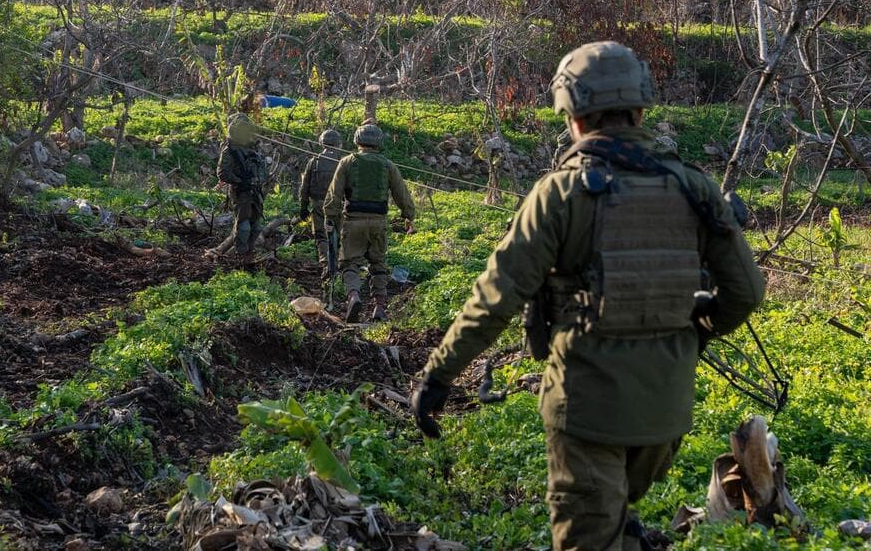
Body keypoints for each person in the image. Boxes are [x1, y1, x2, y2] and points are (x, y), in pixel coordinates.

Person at [411, 41, 765, 550]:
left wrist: (439, 375)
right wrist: (697, 328)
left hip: (587, 409)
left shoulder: (561, 194)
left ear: (572, 116)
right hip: (664, 413)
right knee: (616, 519)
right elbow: (746, 293)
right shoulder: (695, 188)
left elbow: (496, 297)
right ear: (641, 108)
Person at [325, 122, 416, 323]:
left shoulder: (347, 162)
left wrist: (330, 217)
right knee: (378, 264)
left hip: (353, 221)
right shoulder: (388, 165)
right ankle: (379, 307)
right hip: (378, 222)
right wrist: (409, 215)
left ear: (357, 140)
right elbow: (402, 194)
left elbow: (334, 195)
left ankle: (354, 296)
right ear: (378, 143)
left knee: (349, 263)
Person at [216, 112, 267, 260]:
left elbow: (263, 169)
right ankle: (241, 253)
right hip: (241, 191)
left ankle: (250, 251)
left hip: (256, 191)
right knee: (244, 224)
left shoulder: (254, 148)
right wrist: (239, 181)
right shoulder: (230, 150)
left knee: (256, 225)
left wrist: (259, 180)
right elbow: (222, 172)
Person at [299, 129, 344, 278]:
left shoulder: (314, 161)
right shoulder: (342, 162)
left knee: (321, 236)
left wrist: (303, 207)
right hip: (338, 205)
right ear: (338, 144)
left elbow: (304, 187)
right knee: (337, 235)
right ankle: (337, 264)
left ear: (321, 142)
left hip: (318, 205)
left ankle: (326, 264)